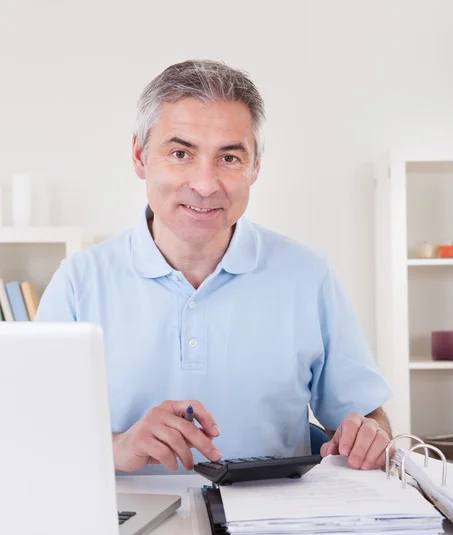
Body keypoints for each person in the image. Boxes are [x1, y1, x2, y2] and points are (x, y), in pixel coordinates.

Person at [35, 59, 393, 475]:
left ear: (255, 167)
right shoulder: (78, 283)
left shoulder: (309, 276)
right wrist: (119, 446)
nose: (205, 185)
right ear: (139, 155)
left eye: (229, 158)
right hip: (124, 527)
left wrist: (369, 436)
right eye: (181, 153)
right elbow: (35, 436)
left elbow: (372, 421)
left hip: (272, 527)